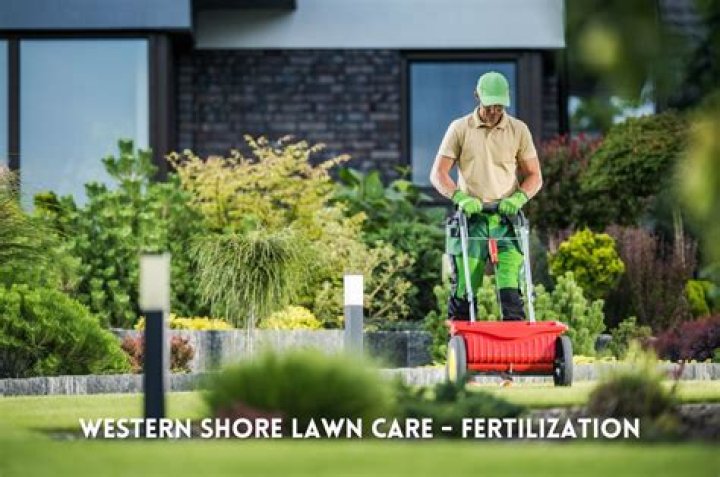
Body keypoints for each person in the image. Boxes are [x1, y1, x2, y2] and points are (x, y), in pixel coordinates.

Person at [429, 71, 542, 321]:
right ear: (477, 96)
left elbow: (535, 175)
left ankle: (513, 340)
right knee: (466, 284)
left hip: (506, 220)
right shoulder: (460, 129)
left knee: (511, 285)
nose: (493, 111)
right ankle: (460, 339)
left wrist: (519, 198)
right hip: (472, 220)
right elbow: (438, 173)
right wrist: (459, 197)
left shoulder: (518, 130)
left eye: (499, 106)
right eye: (489, 105)